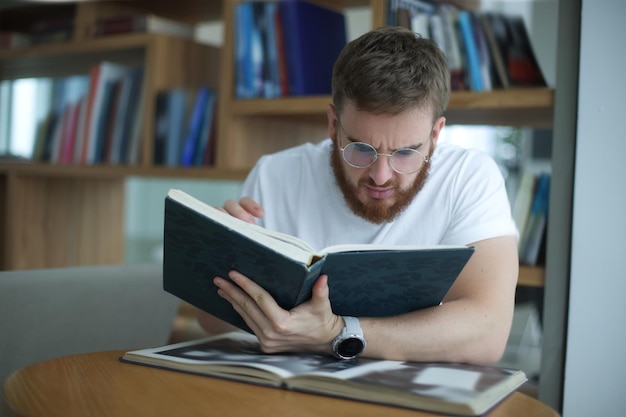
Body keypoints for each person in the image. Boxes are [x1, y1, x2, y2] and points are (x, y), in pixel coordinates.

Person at [198, 26, 518, 365]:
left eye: (406, 152)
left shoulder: (469, 178)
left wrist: (337, 332)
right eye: (361, 149)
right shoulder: (274, 175)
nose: (381, 176)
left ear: (436, 134)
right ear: (333, 124)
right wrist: (217, 260)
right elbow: (208, 321)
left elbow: (488, 333)